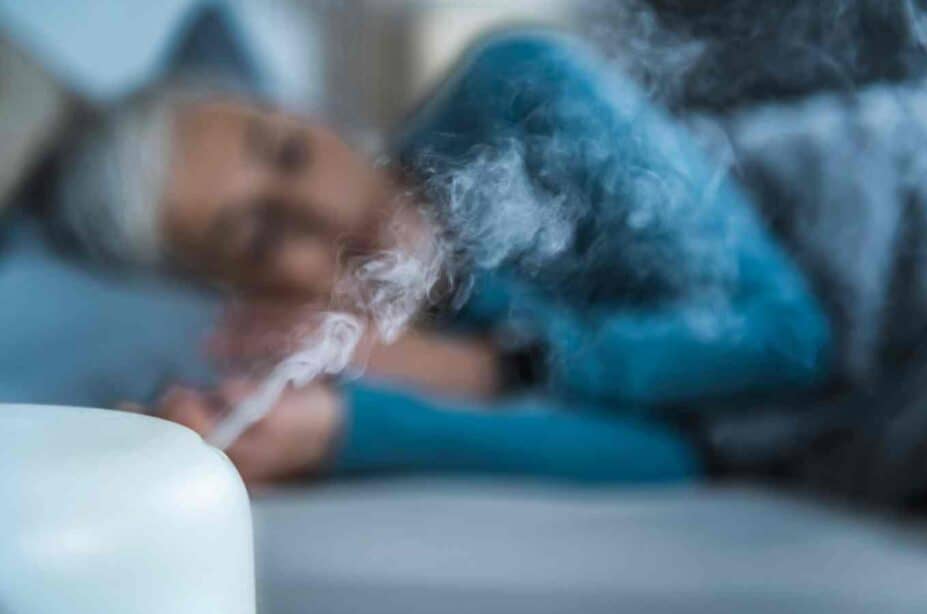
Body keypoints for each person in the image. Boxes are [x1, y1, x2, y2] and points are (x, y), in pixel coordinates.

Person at [51, 30, 833, 486]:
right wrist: (342, 430)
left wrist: (496, 367)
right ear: (230, 288)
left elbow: (789, 340)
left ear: (306, 114)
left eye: (289, 152)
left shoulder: (518, 90)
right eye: (259, 234)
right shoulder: (344, 361)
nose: (326, 207)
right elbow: (674, 458)